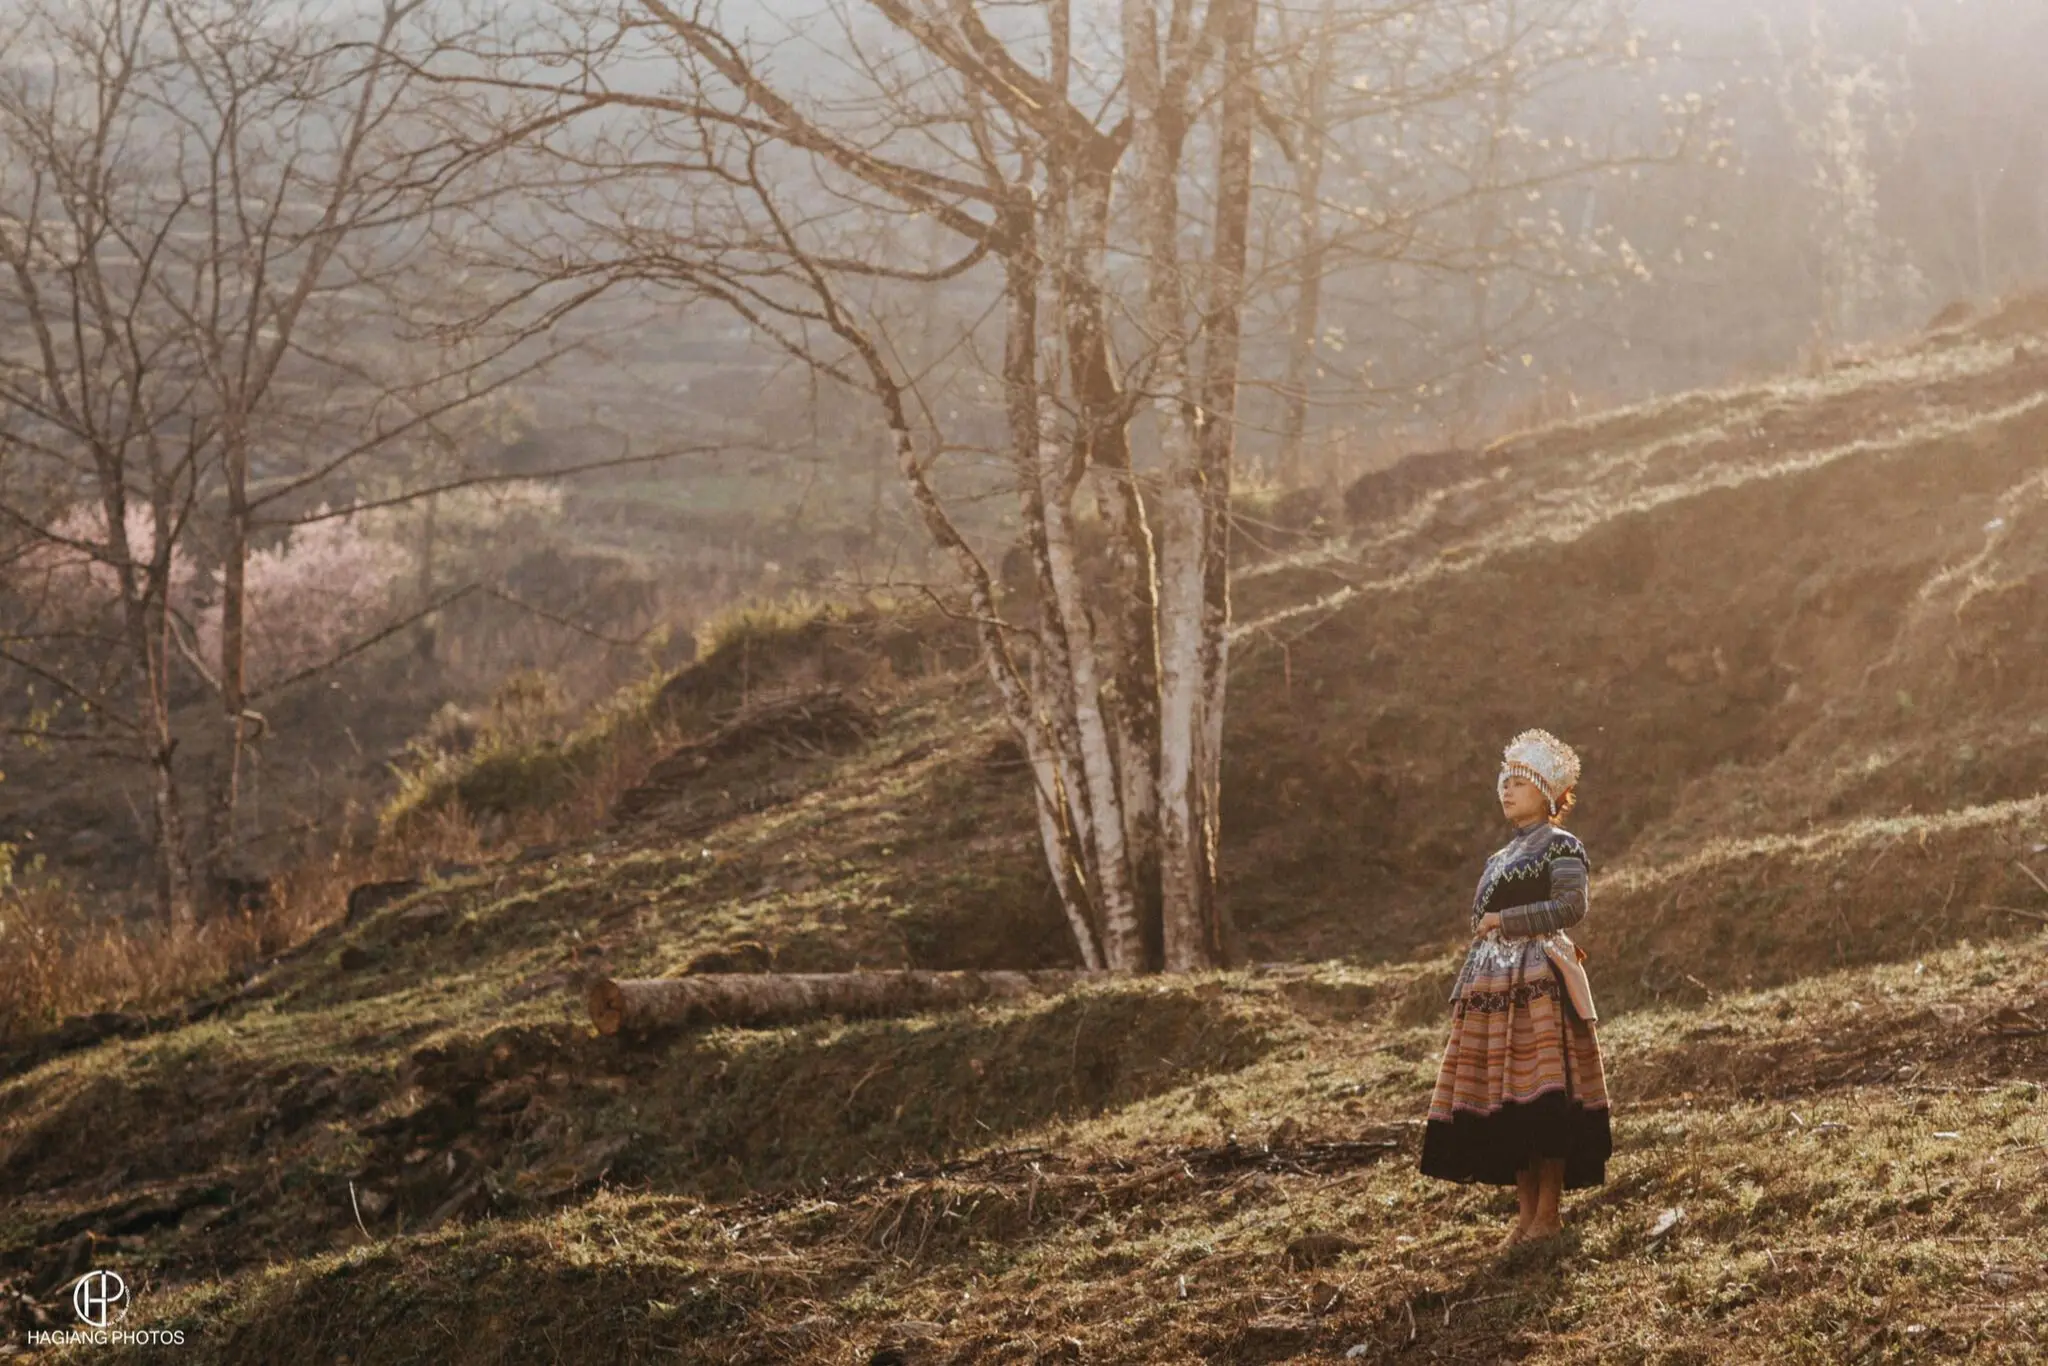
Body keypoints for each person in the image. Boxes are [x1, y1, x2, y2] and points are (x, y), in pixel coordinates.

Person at [1418, 728, 1612, 1247]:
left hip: (1538, 983)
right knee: (1509, 1100)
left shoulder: (1562, 846)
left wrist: (1506, 920)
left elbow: (1571, 908)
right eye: (1504, 781)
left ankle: (1549, 1214)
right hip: (1492, 986)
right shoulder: (1497, 858)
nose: (1506, 790)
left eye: (1519, 782)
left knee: (1543, 1095)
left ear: (1547, 793)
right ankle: (1525, 1216)